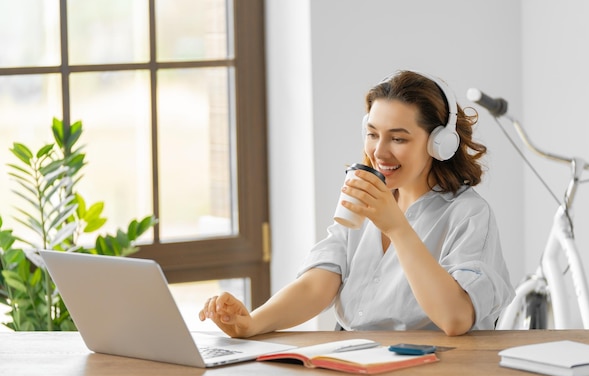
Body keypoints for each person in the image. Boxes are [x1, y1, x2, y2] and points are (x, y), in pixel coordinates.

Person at [199, 70, 514, 337]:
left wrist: (397, 227)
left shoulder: (468, 214)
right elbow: (318, 284)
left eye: (398, 138)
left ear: (439, 143)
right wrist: (252, 322)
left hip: (435, 371)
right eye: (373, 134)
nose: (379, 151)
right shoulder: (365, 197)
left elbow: (455, 318)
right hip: (357, 360)